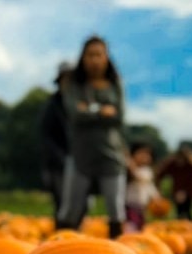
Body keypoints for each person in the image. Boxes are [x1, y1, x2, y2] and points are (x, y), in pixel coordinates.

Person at [56, 36, 128, 239]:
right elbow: (75, 115)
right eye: (90, 55)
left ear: (106, 58)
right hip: (80, 155)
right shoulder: (73, 84)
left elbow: (120, 116)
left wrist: (89, 109)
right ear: (83, 58)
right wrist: (102, 111)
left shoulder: (115, 84)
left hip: (111, 155)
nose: (94, 60)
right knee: (70, 208)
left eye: (99, 55)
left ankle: (119, 253)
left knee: (115, 208)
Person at [38, 62, 74, 223]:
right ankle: (62, 234)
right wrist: (59, 156)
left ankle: (76, 236)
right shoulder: (53, 106)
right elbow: (46, 135)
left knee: (79, 202)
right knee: (62, 201)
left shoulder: (80, 104)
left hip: (80, 161)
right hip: (58, 162)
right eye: (65, 79)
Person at [153, 143, 192, 221]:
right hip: (176, 192)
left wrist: (186, 192)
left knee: (188, 212)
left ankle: (189, 229)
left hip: (189, 192)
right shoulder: (172, 164)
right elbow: (159, 174)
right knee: (179, 213)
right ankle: (180, 228)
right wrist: (158, 189)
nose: (180, 161)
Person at [124, 142, 160, 233]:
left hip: (142, 205)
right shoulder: (126, 172)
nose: (145, 157)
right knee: (131, 224)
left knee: (141, 224)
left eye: (147, 154)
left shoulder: (146, 171)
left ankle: (137, 239)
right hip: (129, 204)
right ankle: (129, 238)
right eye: (141, 153)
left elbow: (147, 184)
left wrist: (156, 197)